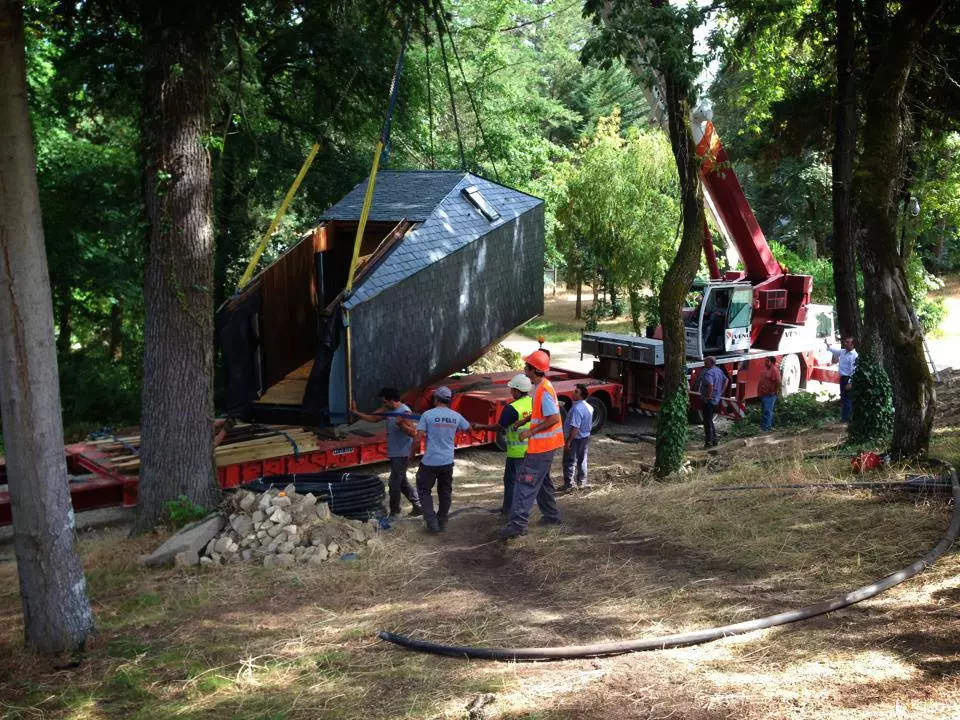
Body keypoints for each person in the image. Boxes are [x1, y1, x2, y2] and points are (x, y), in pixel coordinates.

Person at [500, 350, 564, 540]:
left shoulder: (543, 390)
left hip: (541, 446)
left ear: (534, 370)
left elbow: (553, 417)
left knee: (524, 483)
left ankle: (517, 525)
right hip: (545, 446)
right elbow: (542, 413)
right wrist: (524, 421)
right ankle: (551, 516)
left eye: (527, 367)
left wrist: (530, 431)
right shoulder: (542, 386)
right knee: (542, 482)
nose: (524, 370)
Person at [351, 387, 423, 518]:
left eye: (384, 402)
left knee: (394, 483)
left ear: (391, 401)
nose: (383, 405)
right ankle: (418, 506)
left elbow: (413, 433)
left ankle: (395, 512)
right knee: (402, 482)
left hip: (402, 453)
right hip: (394, 452)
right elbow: (373, 418)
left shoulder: (405, 412)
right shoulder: (388, 410)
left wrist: (401, 424)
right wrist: (356, 413)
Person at [410, 386, 471, 533]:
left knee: (424, 490)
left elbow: (418, 438)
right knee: (445, 492)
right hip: (447, 462)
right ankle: (442, 521)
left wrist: (411, 455)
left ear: (435, 399)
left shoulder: (427, 415)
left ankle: (431, 521)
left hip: (430, 461)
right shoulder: (455, 416)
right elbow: (468, 428)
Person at [471, 374, 533, 516]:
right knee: (525, 481)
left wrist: (481, 427)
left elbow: (500, 427)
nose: (510, 391)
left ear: (518, 391)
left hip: (516, 452)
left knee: (511, 482)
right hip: (530, 450)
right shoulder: (533, 402)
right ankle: (518, 509)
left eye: (512, 389)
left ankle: (510, 511)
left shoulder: (512, 408)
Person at [562, 384, 593, 490]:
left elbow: (575, 427)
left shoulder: (577, 409)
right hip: (585, 438)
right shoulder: (589, 407)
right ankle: (582, 482)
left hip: (575, 438)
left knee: (569, 461)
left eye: (576, 392)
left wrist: (568, 441)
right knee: (582, 460)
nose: (573, 393)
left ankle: (569, 485)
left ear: (581, 396)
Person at [700, 356, 728, 448]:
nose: (704, 362)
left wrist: (708, 396)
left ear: (710, 362)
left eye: (706, 361)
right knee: (710, 421)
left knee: (707, 422)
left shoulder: (709, 373)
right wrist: (721, 392)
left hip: (709, 401)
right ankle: (715, 439)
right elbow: (726, 380)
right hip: (716, 399)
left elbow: (710, 385)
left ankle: (709, 442)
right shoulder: (718, 370)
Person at [828, 336, 858, 421]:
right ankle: (845, 417)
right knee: (844, 398)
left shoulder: (854, 356)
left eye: (848, 342)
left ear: (852, 345)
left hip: (847, 379)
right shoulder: (843, 352)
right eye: (845, 342)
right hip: (842, 378)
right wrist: (828, 345)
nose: (845, 344)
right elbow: (833, 350)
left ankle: (846, 419)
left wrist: (850, 382)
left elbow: (854, 371)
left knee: (847, 399)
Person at [757, 357, 781, 432]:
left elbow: (778, 382)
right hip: (764, 394)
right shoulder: (766, 369)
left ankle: (766, 428)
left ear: (771, 362)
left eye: (767, 361)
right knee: (765, 411)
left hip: (769, 395)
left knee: (767, 411)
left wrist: (775, 391)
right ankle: (765, 426)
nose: (765, 362)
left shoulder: (774, 370)